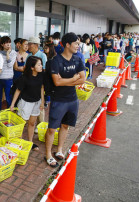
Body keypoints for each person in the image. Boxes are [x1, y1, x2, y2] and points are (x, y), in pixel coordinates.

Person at [45, 32, 85, 167]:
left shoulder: (78, 59)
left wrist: (66, 81)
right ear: (67, 44)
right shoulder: (56, 61)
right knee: (51, 129)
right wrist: (73, 79)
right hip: (58, 100)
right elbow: (56, 82)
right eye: (76, 44)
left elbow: (83, 79)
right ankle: (48, 154)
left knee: (65, 125)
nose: (78, 46)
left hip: (72, 100)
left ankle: (59, 150)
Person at [10, 56, 44, 151]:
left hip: (36, 103)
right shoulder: (24, 78)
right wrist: (12, 104)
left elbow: (42, 88)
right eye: (39, 64)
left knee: (32, 123)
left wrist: (42, 102)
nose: (41, 66)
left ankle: (30, 142)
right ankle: (20, 143)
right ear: (32, 67)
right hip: (25, 103)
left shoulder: (41, 75)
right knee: (22, 124)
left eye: (41, 64)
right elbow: (18, 91)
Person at [28, 37, 47, 132]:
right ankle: (32, 123)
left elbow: (44, 69)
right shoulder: (29, 56)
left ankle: (40, 125)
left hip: (39, 82)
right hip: (30, 82)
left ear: (35, 45)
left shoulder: (42, 55)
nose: (28, 46)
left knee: (40, 103)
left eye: (30, 44)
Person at [0, 36, 17, 111]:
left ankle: (10, 114)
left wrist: (8, 54)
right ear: (2, 44)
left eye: (9, 42)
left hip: (8, 78)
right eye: (6, 43)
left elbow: (9, 65)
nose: (8, 44)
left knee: (8, 98)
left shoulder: (13, 53)